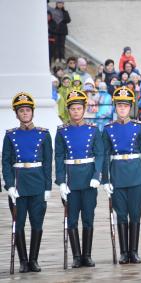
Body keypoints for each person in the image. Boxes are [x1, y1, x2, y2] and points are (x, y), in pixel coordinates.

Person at [2, 93, 52, 272]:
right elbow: (6, 163)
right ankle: (23, 261)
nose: (25, 113)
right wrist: (9, 185)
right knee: (19, 223)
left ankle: (34, 259)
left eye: (28, 110)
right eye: (21, 110)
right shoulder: (10, 136)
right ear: (16, 114)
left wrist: (48, 187)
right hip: (18, 186)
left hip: (37, 184)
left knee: (37, 223)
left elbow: (47, 163)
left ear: (33, 112)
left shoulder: (44, 134)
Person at [101, 86, 141, 264]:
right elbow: (105, 155)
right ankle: (124, 252)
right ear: (115, 107)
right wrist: (105, 179)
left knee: (135, 214)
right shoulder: (108, 128)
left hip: (136, 174)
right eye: (119, 106)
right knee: (121, 214)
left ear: (130, 107)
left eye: (125, 106)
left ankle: (134, 251)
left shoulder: (139, 127)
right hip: (117, 175)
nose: (122, 109)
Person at [54, 89, 104, 268]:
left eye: (79, 108)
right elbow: (58, 157)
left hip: (89, 178)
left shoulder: (93, 129)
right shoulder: (62, 131)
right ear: (69, 110)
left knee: (88, 218)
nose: (76, 112)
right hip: (71, 180)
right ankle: (76, 256)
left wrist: (97, 175)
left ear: (84, 109)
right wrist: (60, 181)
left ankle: (87, 255)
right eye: (73, 109)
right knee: (72, 219)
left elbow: (99, 154)